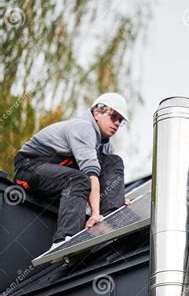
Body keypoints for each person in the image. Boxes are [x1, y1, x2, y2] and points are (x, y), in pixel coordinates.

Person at [13, 93, 130, 251]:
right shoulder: (83, 127)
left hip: (58, 177)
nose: (116, 123)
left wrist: (119, 198)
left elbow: (107, 174)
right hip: (29, 168)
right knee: (78, 180)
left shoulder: (103, 143)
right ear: (97, 112)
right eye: (113, 116)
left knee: (113, 161)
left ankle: (112, 217)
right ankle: (64, 240)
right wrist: (95, 214)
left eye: (120, 121)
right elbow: (91, 175)